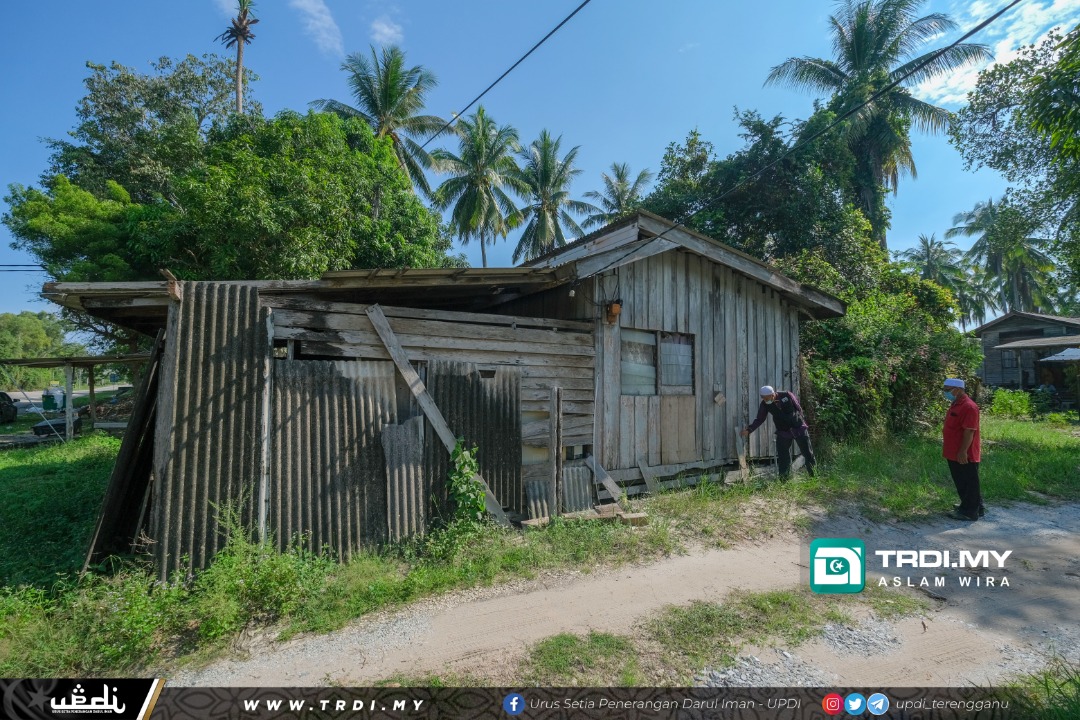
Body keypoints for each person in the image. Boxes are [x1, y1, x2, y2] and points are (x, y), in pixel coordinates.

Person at [740, 385, 816, 478]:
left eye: (767, 398)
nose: (765, 400)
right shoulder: (765, 404)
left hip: (798, 428)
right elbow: (760, 419)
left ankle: (814, 476)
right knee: (783, 457)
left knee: (808, 453)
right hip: (783, 431)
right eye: (763, 398)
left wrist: (799, 420)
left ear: (773, 394)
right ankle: (784, 480)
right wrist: (749, 430)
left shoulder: (786, 395)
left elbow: (798, 407)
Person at [942, 378, 984, 521]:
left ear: (958, 390)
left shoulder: (969, 407)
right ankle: (976, 506)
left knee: (968, 481)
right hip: (953, 450)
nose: (945, 393)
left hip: (964, 452)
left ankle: (969, 511)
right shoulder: (955, 404)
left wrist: (963, 451)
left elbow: (969, 431)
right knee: (962, 480)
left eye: (947, 390)